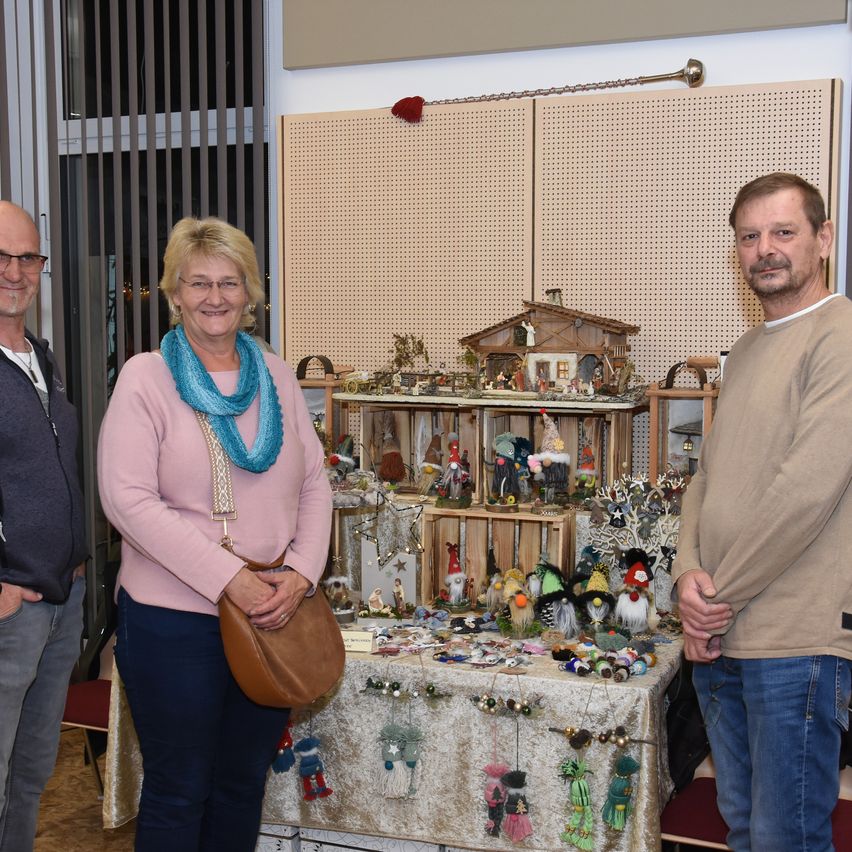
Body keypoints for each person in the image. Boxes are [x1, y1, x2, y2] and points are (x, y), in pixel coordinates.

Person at [97, 217, 332, 851]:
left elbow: (315, 484)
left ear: (250, 294)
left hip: (271, 619)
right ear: (174, 294)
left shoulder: (277, 377)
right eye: (197, 282)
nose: (215, 296)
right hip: (176, 623)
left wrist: (303, 572)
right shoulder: (146, 379)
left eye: (229, 282)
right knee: (179, 789)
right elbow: (128, 500)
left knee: (241, 784)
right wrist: (230, 580)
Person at [672, 173, 852, 852]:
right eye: (749, 237)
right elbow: (706, 480)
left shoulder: (841, 337)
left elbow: (806, 490)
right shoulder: (746, 350)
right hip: (723, 637)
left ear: (822, 240)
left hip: (795, 644)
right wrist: (688, 574)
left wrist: (715, 600)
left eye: (783, 232)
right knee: (746, 833)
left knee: (786, 840)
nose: (764, 249)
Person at [0, 201, 87, 851]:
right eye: (0, 257)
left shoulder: (43, 356)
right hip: (11, 607)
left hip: (61, 600)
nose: (15, 271)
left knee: (30, 775)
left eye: (27, 256)